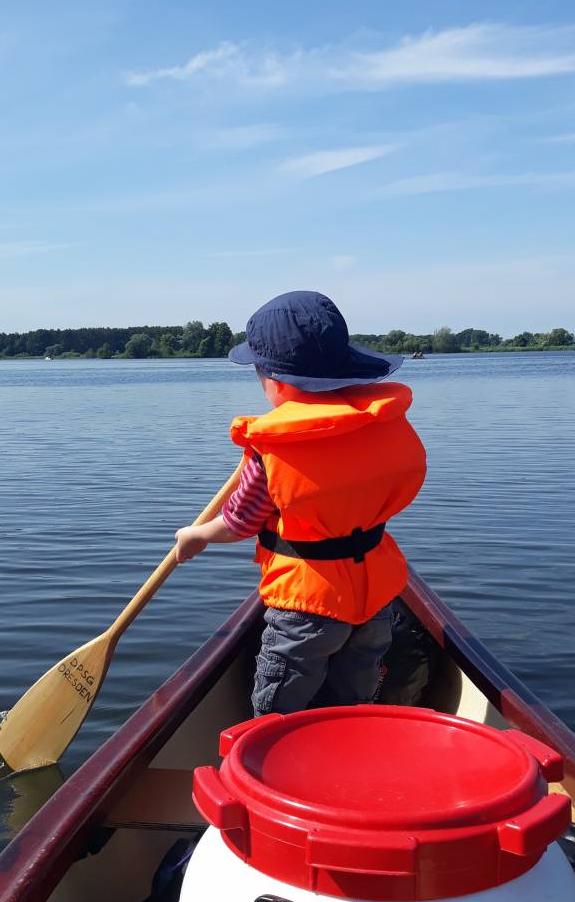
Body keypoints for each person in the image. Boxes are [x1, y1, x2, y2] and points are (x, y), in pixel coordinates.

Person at [175, 290, 426, 715]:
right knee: (352, 697)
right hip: (374, 597)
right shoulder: (379, 424)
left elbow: (240, 521)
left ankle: (270, 764)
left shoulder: (276, 449)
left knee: (278, 706)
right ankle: (342, 748)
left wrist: (196, 534)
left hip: (307, 608)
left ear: (277, 381)